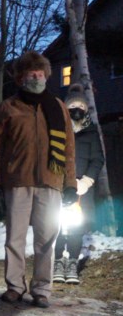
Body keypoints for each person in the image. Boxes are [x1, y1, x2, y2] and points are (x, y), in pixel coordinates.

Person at [0, 51, 76, 309]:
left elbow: (69, 149)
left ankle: (41, 289)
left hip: (51, 182)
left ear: (46, 76)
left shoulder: (58, 107)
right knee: (15, 237)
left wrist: (70, 183)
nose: (36, 77)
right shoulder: (9, 107)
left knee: (47, 238)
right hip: (17, 181)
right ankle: (15, 286)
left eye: (40, 73)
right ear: (20, 78)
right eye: (30, 74)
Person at [53, 84, 104, 285]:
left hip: (82, 189)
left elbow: (98, 159)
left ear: (85, 109)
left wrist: (86, 181)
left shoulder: (91, 132)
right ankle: (57, 262)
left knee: (76, 227)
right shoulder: (57, 130)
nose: (76, 109)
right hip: (59, 186)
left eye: (79, 106)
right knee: (55, 225)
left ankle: (72, 263)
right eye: (71, 105)